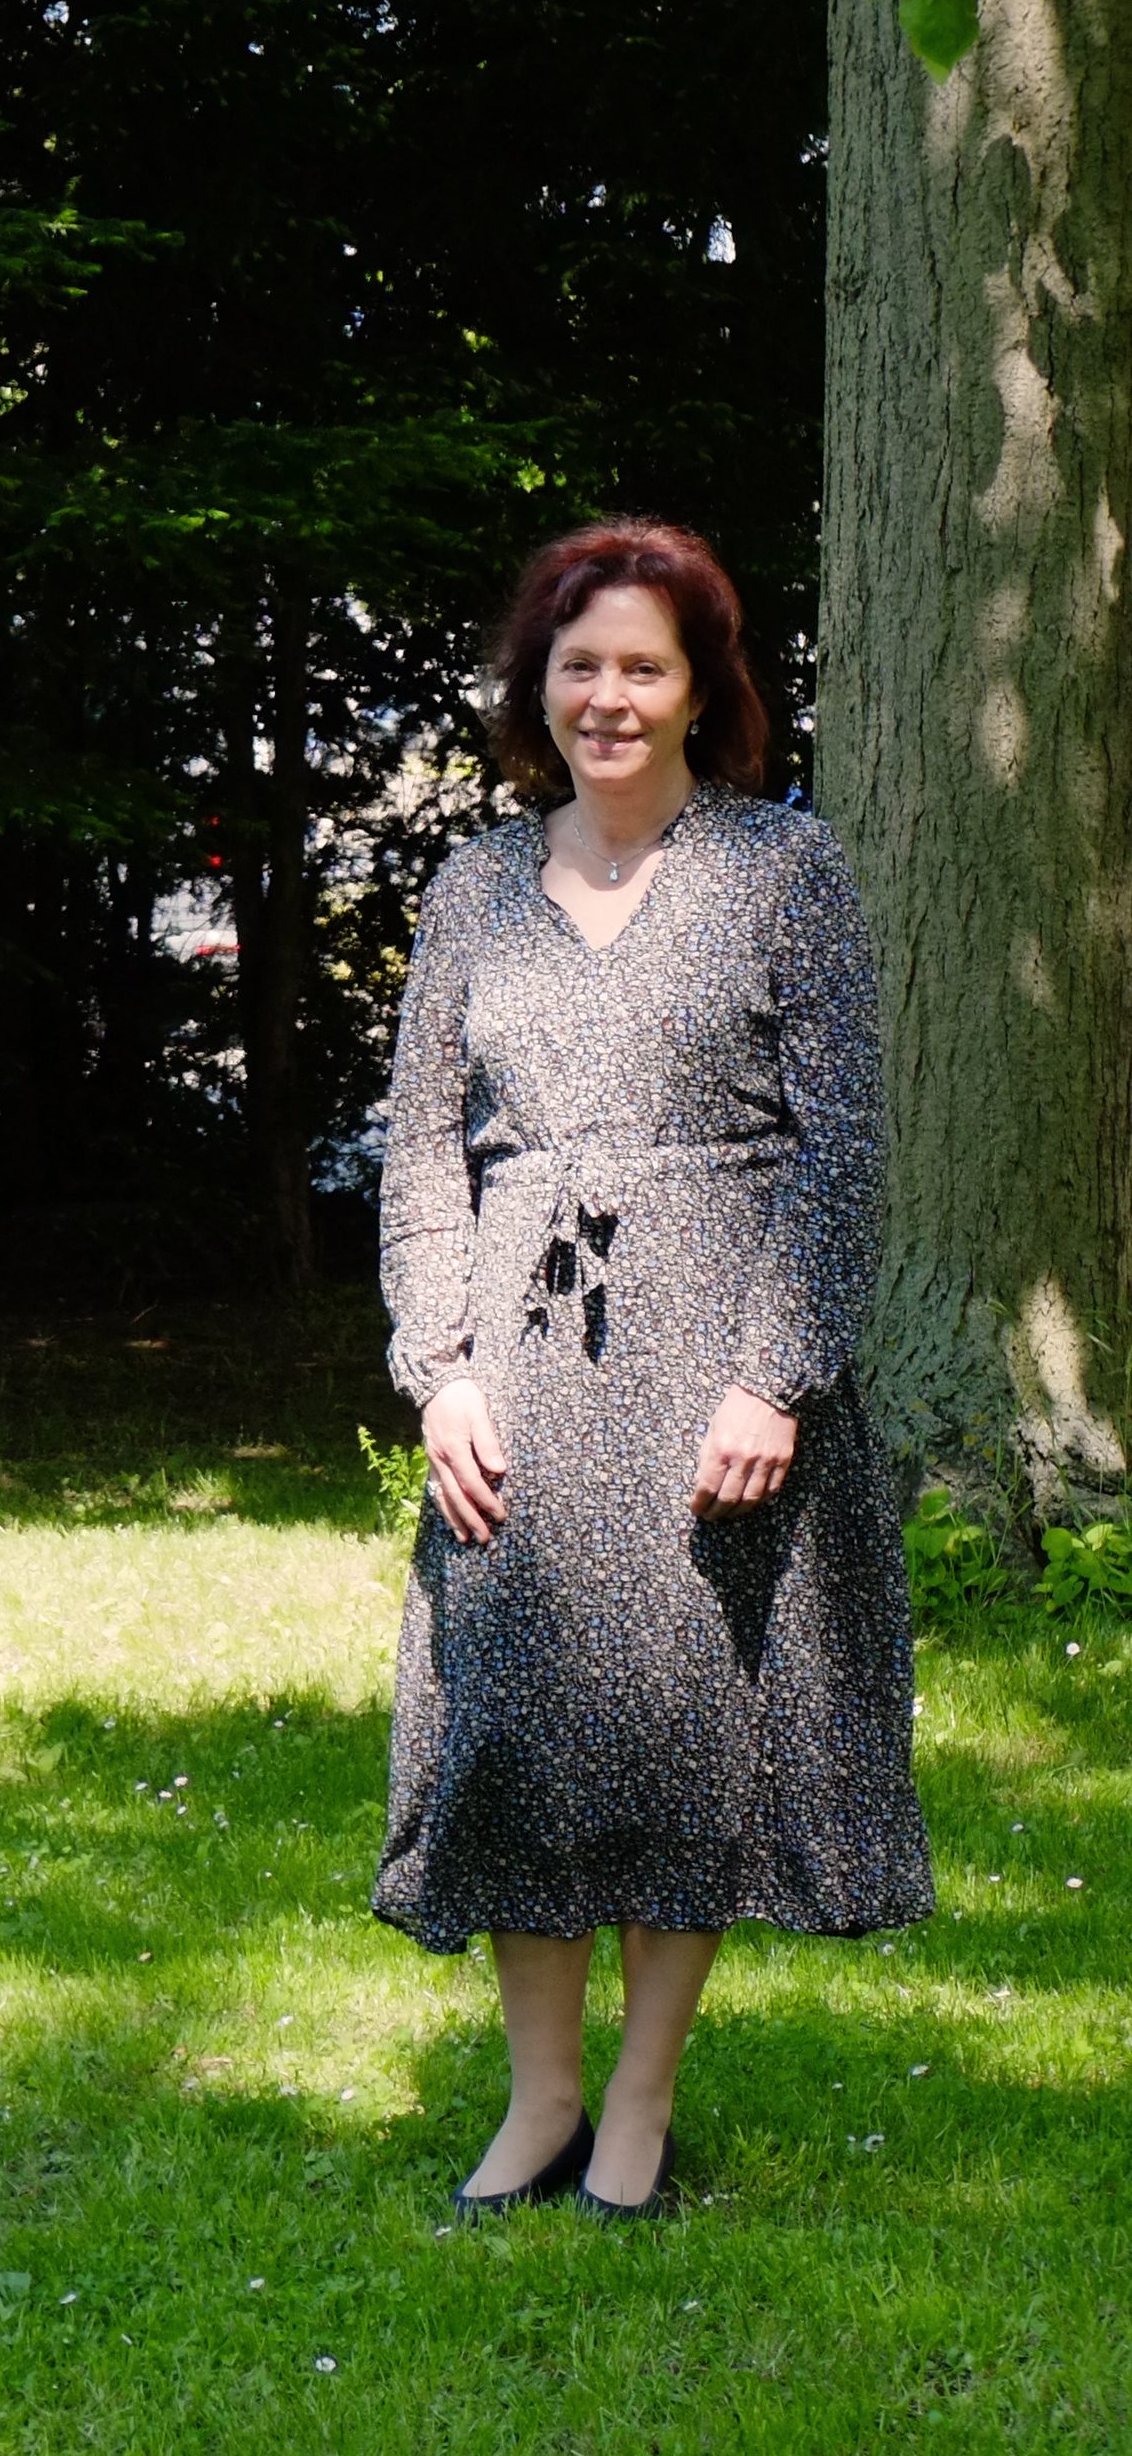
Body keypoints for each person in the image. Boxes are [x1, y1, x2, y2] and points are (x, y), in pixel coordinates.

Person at [378, 519, 930, 2217]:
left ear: (702, 693)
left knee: (688, 1734)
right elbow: (417, 1151)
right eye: (579, 663)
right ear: (536, 687)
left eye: (644, 666)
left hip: (713, 1373)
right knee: (518, 1737)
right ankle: (539, 2098)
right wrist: (439, 1367)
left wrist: (777, 1376)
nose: (607, 696)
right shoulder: (473, 886)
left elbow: (841, 1153)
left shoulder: (782, 870)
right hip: (519, 1375)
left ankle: (636, 2102)